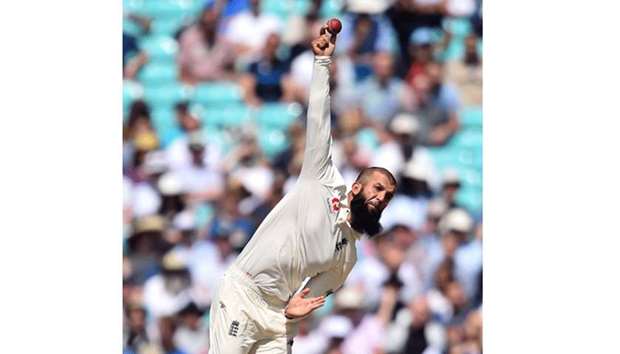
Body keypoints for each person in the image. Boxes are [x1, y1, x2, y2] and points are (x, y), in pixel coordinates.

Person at [208, 25, 398, 353]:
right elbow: (319, 122)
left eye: (388, 197)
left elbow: (309, 296)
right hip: (242, 294)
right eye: (377, 189)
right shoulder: (321, 180)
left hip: (278, 318)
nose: (381, 198)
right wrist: (322, 63)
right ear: (355, 187)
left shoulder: (347, 257)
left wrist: (295, 312)